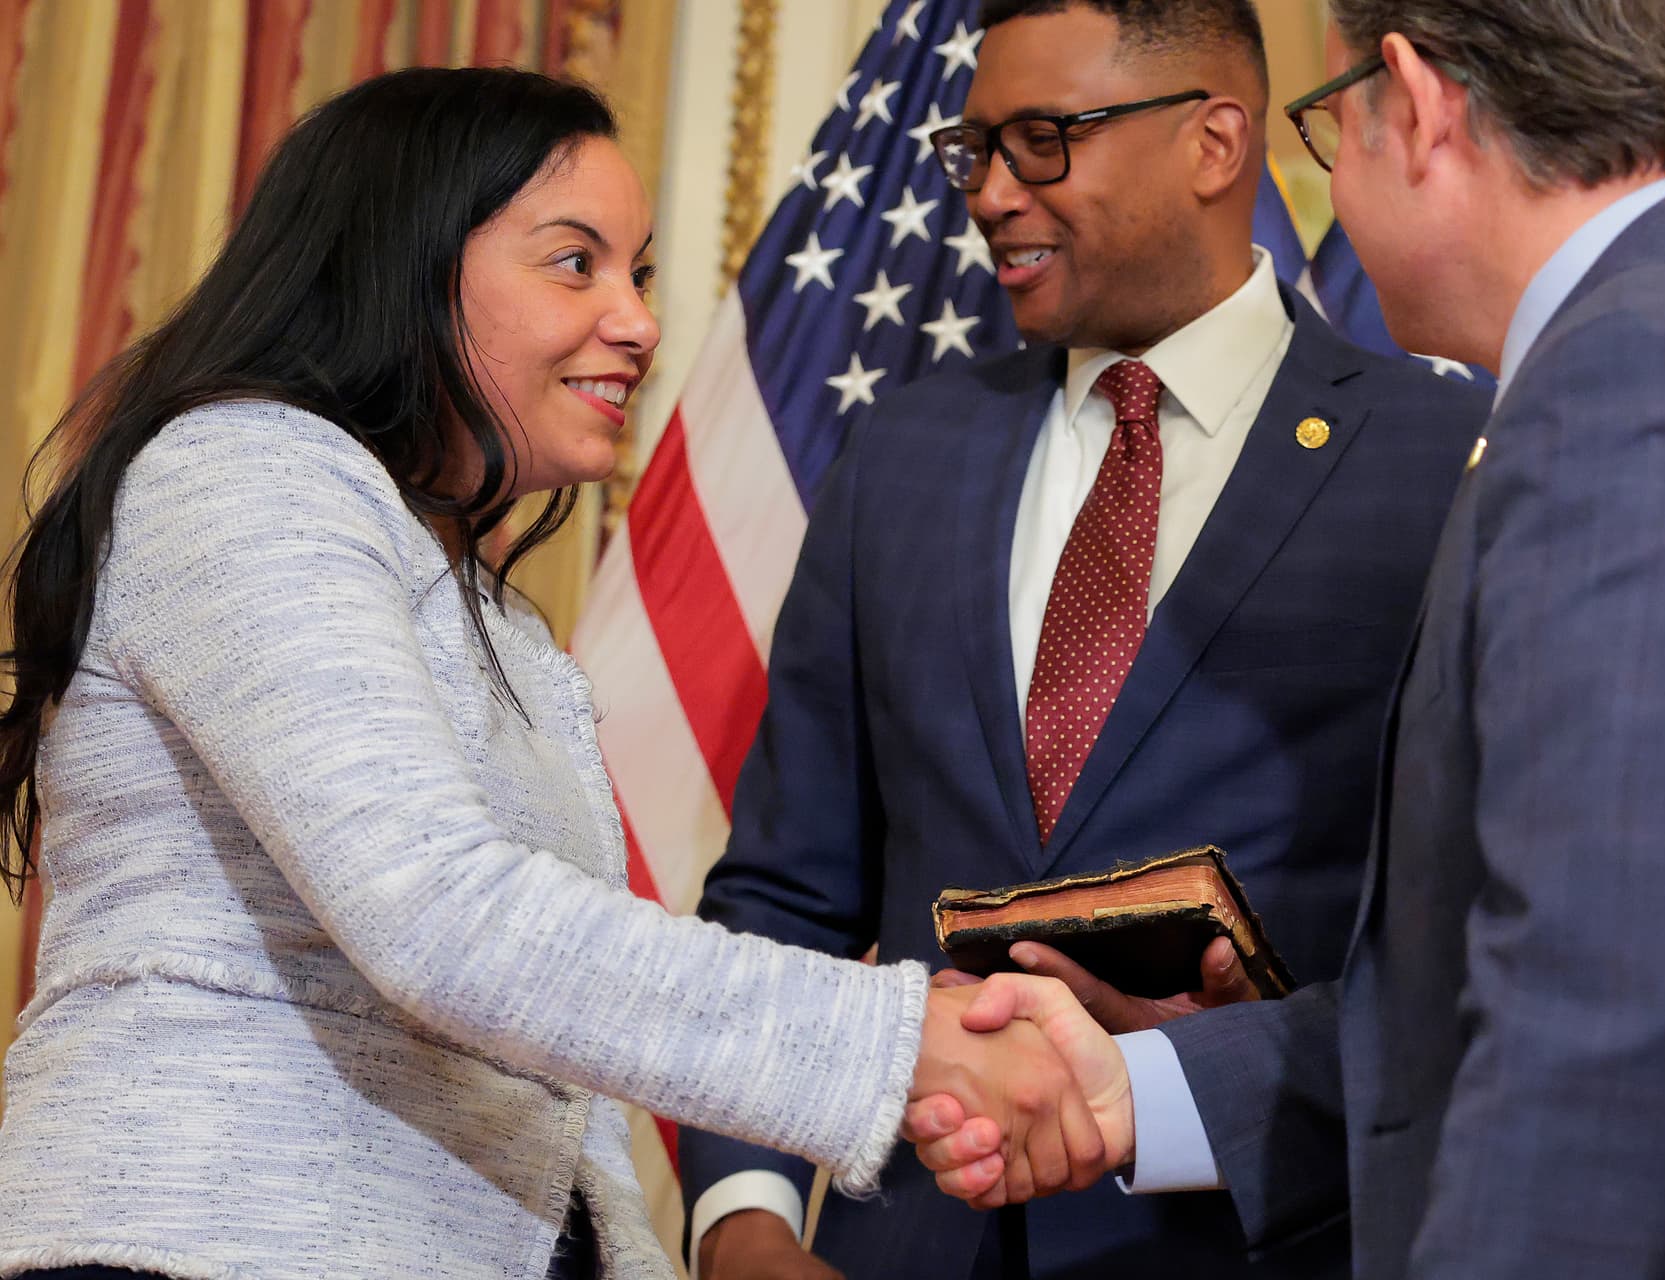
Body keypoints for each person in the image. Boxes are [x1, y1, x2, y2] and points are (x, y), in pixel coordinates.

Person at [0, 67, 1104, 1280]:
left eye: (635, 270)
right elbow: (443, 917)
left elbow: (539, 1080)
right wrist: (905, 1045)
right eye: (574, 262)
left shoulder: (487, 610)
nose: (636, 320)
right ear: (401, 263)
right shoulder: (241, 472)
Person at [911, 0, 1665, 1275]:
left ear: (1417, 101)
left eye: (1331, 122)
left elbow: (1601, 1038)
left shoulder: (1651, 385)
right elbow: (1496, 988)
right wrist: (1140, 1093)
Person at [678, 2, 1488, 1278]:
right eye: (975, 149)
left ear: (1215, 143)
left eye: (1044, 140)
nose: (992, 193)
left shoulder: (1446, 463)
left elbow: (1462, 962)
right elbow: (784, 891)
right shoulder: (902, 454)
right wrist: (742, 1220)